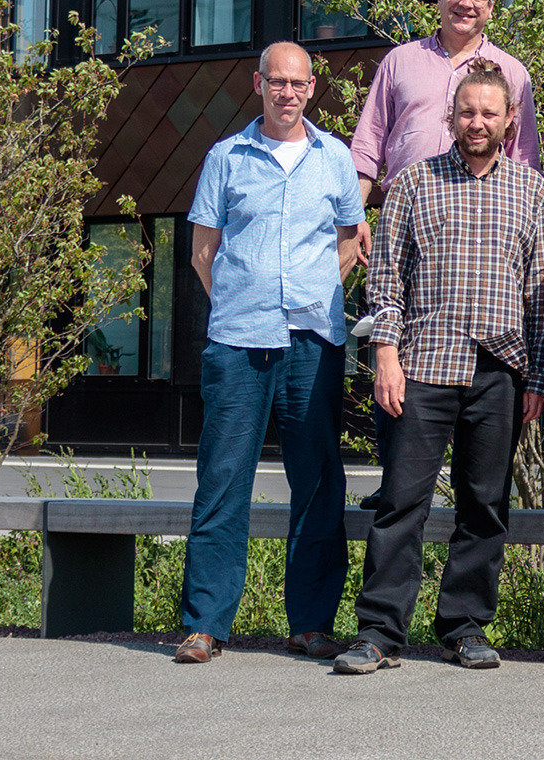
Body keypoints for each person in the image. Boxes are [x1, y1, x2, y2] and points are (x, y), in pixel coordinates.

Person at [337, 60, 544, 675]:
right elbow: (385, 280)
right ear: (450, 116)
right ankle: (379, 632)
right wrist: (385, 354)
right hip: (423, 365)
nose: (478, 122)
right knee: (402, 502)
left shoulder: (530, 191)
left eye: (491, 112)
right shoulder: (412, 183)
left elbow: (540, 294)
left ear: (511, 120)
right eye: (468, 111)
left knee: (485, 505)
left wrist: (537, 379)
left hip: (500, 371)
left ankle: (464, 627)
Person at [175, 41, 364, 665]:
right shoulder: (226, 157)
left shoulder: (334, 157)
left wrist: (312, 292)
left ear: (313, 87)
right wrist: (240, 300)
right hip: (238, 344)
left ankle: (310, 624)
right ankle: (205, 624)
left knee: (318, 484)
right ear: (258, 85)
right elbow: (204, 253)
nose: (288, 93)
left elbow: (347, 242)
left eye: (298, 83)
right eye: (276, 82)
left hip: (313, 343)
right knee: (224, 480)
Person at [348, 0, 541, 507]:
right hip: (409, 229)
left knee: (483, 468)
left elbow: (524, 160)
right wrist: (357, 215)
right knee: (395, 353)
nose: (466, 3)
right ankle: (397, 484)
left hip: (484, 243)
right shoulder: (400, 62)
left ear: (491, 7)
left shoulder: (513, 74)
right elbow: (368, 143)